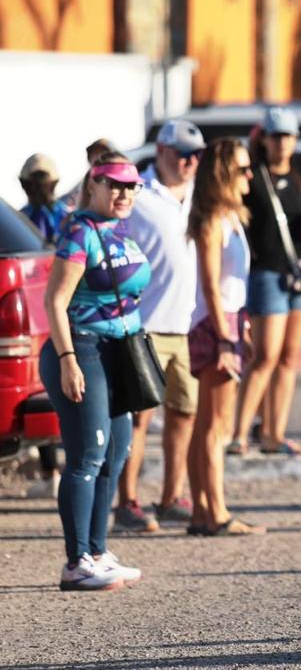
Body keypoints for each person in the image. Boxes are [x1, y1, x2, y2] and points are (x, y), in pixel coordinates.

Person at [38, 151, 149, 591]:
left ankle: (98, 551)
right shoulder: (79, 231)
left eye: (130, 185)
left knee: (115, 452)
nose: (122, 192)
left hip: (119, 352)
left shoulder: (119, 229)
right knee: (87, 455)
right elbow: (54, 302)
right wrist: (67, 360)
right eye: (113, 184)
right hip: (82, 349)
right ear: (94, 185)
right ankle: (76, 561)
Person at [114, 119, 205, 534]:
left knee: (184, 412)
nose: (190, 162)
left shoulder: (199, 196)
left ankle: (172, 496)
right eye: (184, 153)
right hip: (145, 325)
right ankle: (127, 501)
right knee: (139, 418)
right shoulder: (138, 194)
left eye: (196, 155)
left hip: (187, 324)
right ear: (163, 151)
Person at [230, 107, 301, 455]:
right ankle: (238, 433)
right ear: (263, 139)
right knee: (264, 355)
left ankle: (273, 433)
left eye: (288, 136)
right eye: (276, 135)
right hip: (266, 270)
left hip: (300, 271)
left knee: (288, 357)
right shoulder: (253, 178)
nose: (282, 142)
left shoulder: (300, 180)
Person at [186, 138, 265, 535]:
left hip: (231, 318)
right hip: (214, 323)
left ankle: (203, 510)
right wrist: (223, 336)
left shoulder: (233, 218)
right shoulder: (211, 221)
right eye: (242, 168)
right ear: (222, 174)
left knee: (207, 423)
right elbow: (212, 286)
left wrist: (243, 326)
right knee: (216, 424)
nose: (250, 174)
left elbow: (235, 286)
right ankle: (215, 511)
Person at [18, 153, 69, 499]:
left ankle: (54, 468)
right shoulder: (61, 219)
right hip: (45, 316)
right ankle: (52, 468)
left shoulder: (24, 223)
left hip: (46, 315)